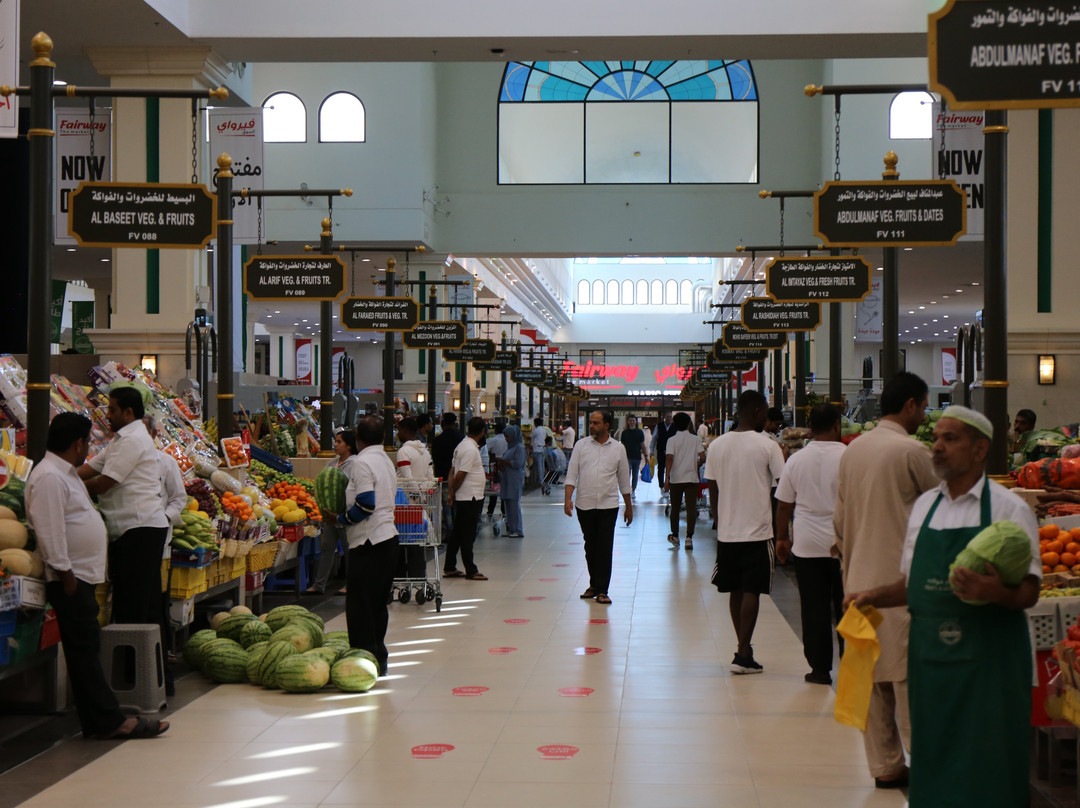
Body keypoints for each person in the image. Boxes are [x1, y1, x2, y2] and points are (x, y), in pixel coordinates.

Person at [843, 406, 1040, 807]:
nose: (937, 447)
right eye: (936, 438)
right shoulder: (924, 507)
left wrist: (993, 590)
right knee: (934, 760)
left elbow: (1029, 593)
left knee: (989, 764)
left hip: (989, 663)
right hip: (931, 662)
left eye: (951, 439)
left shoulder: (1008, 508)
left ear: (980, 449)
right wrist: (874, 596)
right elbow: (914, 584)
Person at [29, 413, 169, 739]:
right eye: (87, 442)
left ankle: (98, 722)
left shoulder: (65, 474)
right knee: (85, 653)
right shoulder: (49, 476)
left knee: (85, 651)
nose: (88, 448)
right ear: (78, 443)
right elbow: (50, 533)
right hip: (70, 578)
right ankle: (111, 721)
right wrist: (66, 576)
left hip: (80, 576)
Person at [833, 371, 939, 789]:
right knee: (910, 680)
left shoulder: (853, 451)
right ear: (910, 404)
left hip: (858, 579)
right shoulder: (911, 451)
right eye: (925, 406)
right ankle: (926, 764)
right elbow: (942, 510)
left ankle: (885, 767)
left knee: (872, 680)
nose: (925, 414)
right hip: (901, 583)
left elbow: (839, 521)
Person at [704, 389, 785, 674]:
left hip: (727, 533)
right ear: (755, 412)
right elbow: (783, 488)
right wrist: (781, 527)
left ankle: (744, 649)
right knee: (752, 589)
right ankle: (742, 652)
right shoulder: (768, 445)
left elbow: (712, 487)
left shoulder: (717, 445)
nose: (767, 417)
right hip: (758, 532)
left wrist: (718, 517)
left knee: (734, 589)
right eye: (765, 412)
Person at [78, 386, 169, 630]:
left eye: (112, 409)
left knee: (133, 607)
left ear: (128, 412)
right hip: (139, 528)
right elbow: (91, 468)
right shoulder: (121, 440)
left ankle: (134, 664)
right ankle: (149, 665)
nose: (107, 415)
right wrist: (59, 473)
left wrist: (69, 488)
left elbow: (105, 482)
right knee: (145, 604)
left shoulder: (133, 439)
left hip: (139, 529)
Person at [774, 403, 846, 685]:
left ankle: (819, 669)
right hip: (844, 545)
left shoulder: (797, 460)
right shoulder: (851, 457)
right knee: (847, 607)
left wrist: (781, 537)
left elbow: (784, 505)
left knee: (813, 608)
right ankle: (851, 665)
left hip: (806, 545)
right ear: (837, 425)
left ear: (810, 429)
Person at [330, 416, 400, 676]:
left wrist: (339, 519)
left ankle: (362, 662)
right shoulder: (385, 461)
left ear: (358, 438)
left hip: (369, 543)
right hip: (388, 540)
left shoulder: (362, 463)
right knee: (376, 606)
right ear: (382, 437)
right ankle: (378, 659)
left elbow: (365, 504)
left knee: (359, 607)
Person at [564, 410, 632, 605]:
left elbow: (624, 480)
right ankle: (594, 584)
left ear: (607, 425)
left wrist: (629, 506)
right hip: (584, 504)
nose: (591, 426)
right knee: (590, 546)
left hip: (608, 505)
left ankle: (603, 589)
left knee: (604, 547)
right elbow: (572, 474)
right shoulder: (581, 446)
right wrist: (568, 498)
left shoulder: (618, 448)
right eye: (591, 423)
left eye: (596, 423)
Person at [145, 416, 187, 695]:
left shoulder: (165, 462)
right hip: (129, 545)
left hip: (160, 546)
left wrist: (163, 519)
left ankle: (160, 675)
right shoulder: (115, 460)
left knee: (158, 606)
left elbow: (179, 498)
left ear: (152, 433)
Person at [309, 429, 359, 595]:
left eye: (339, 442)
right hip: (329, 515)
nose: (335, 445)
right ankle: (319, 584)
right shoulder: (332, 463)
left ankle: (351, 584)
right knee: (327, 547)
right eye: (335, 441)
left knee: (348, 550)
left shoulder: (354, 464)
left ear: (349, 445)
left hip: (345, 515)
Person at [444, 417, 489, 580]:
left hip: (465, 495)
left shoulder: (462, 446)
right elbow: (460, 474)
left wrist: (451, 492)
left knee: (457, 533)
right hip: (470, 497)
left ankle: (449, 566)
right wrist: (452, 492)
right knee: (468, 534)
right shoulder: (470, 449)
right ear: (483, 431)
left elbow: (452, 471)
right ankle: (471, 569)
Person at [664, 411, 705, 550]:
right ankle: (689, 537)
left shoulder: (671, 440)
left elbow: (669, 459)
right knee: (691, 508)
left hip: (676, 478)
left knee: (675, 508)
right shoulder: (696, 439)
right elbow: (703, 457)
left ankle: (675, 536)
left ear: (675, 425)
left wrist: (666, 479)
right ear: (689, 424)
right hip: (691, 478)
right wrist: (696, 464)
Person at [431, 412, 463, 533]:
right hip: (458, 478)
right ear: (455, 424)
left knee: (446, 506)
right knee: (457, 505)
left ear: (443, 424)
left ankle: (450, 532)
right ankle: (459, 531)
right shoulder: (461, 439)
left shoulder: (437, 440)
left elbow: (435, 459)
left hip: (443, 477)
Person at [498, 425, 526, 537]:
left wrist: (504, 462)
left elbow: (518, 463)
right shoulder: (510, 448)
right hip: (507, 479)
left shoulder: (519, 448)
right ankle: (511, 528)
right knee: (508, 504)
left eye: (507, 436)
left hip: (514, 479)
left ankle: (518, 530)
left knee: (514, 505)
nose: (506, 439)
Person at [485, 422, 508, 522]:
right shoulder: (507, 440)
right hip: (506, 467)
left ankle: (490, 512)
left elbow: (486, 449)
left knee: (494, 490)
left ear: (496, 430)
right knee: (504, 489)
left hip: (495, 467)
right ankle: (504, 512)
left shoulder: (494, 439)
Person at [619, 415, 646, 500]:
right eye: (630, 420)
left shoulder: (640, 432)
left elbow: (642, 444)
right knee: (627, 475)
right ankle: (627, 491)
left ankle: (633, 490)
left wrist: (646, 456)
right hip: (627, 457)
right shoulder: (624, 433)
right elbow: (622, 445)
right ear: (628, 422)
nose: (632, 422)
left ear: (636, 422)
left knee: (635, 475)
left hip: (637, 457)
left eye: (633, 420)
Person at [651, 412, 676, 491]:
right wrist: (651, 450)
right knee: (661, 468)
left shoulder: (675, 426)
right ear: (664, 417)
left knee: (671, 469)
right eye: (667, 417)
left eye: (670, 417)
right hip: (661, 450)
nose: (669, 419)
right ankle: (661, 486)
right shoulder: (659, 426)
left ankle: (669, 484)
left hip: (672, 451)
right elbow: (654, 438)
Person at [532, 417, 551, 495]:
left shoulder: (536, 430)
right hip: (543, 449)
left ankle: (540, 481)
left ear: (535, 423)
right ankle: (542, 479)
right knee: (542, 465)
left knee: (539, 465)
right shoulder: (543, 429)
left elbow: (530, 436)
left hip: (537, 449)